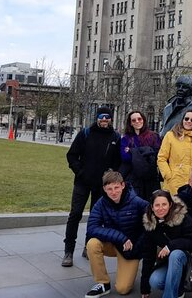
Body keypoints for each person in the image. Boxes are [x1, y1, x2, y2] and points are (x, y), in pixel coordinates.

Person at [62, 106, 121, 267]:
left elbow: (117, 161)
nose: (104, 120)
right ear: (97, 117)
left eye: (107, 117)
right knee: (75, 214)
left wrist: (110, 175)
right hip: (82, 182)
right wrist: (80, 172)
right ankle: (68, 251)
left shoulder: (115, 137)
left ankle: (88, 247)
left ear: (111, 119)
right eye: (101, 116)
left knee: (95, 219)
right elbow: (72, 155)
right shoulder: (85, 134)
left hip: (101, 186)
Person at [84, 170, 148, 297]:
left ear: (123, 185)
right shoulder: (101, 203)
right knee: (92, 244)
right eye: (109, 189)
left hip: (131, 248)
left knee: (123, 289)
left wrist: (138, 246)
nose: (113, 192)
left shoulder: (137, 201)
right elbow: (92, 228)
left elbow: (152, 223)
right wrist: (121, 238)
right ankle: (103, 283)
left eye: (116, 187)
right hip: (113, 244)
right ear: (104, 189)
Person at [140, 190, 192, 298]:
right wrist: (144, 286)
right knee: (154, 281)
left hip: (188, 261)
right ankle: (178, 290)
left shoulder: (182, 217)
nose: (161, 208)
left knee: (175, 254)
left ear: (170, 204)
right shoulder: (150, 224)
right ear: (152, 207)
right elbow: (148, 256)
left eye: (164, 204)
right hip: (168, 263)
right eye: (157, 205)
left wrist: (171, 246)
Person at [158, 109, 192, 193]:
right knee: (175, 205)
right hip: (174, 181)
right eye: (186, 118)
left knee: (190, 205)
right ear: (182, 120)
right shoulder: (170, 135)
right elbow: (161, 158)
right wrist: (168, 176)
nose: (189, 121)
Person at [120, 110, 161, 202]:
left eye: (139, 119)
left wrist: (132, 151)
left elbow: (156, 156)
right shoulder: (126, 138)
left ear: (144, 120)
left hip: (150, 178)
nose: (137, 121)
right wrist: (146, 151)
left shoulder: (154, 136)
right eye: (134, 120)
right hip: (133, 178)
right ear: (130, 123)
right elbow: (125, 157)